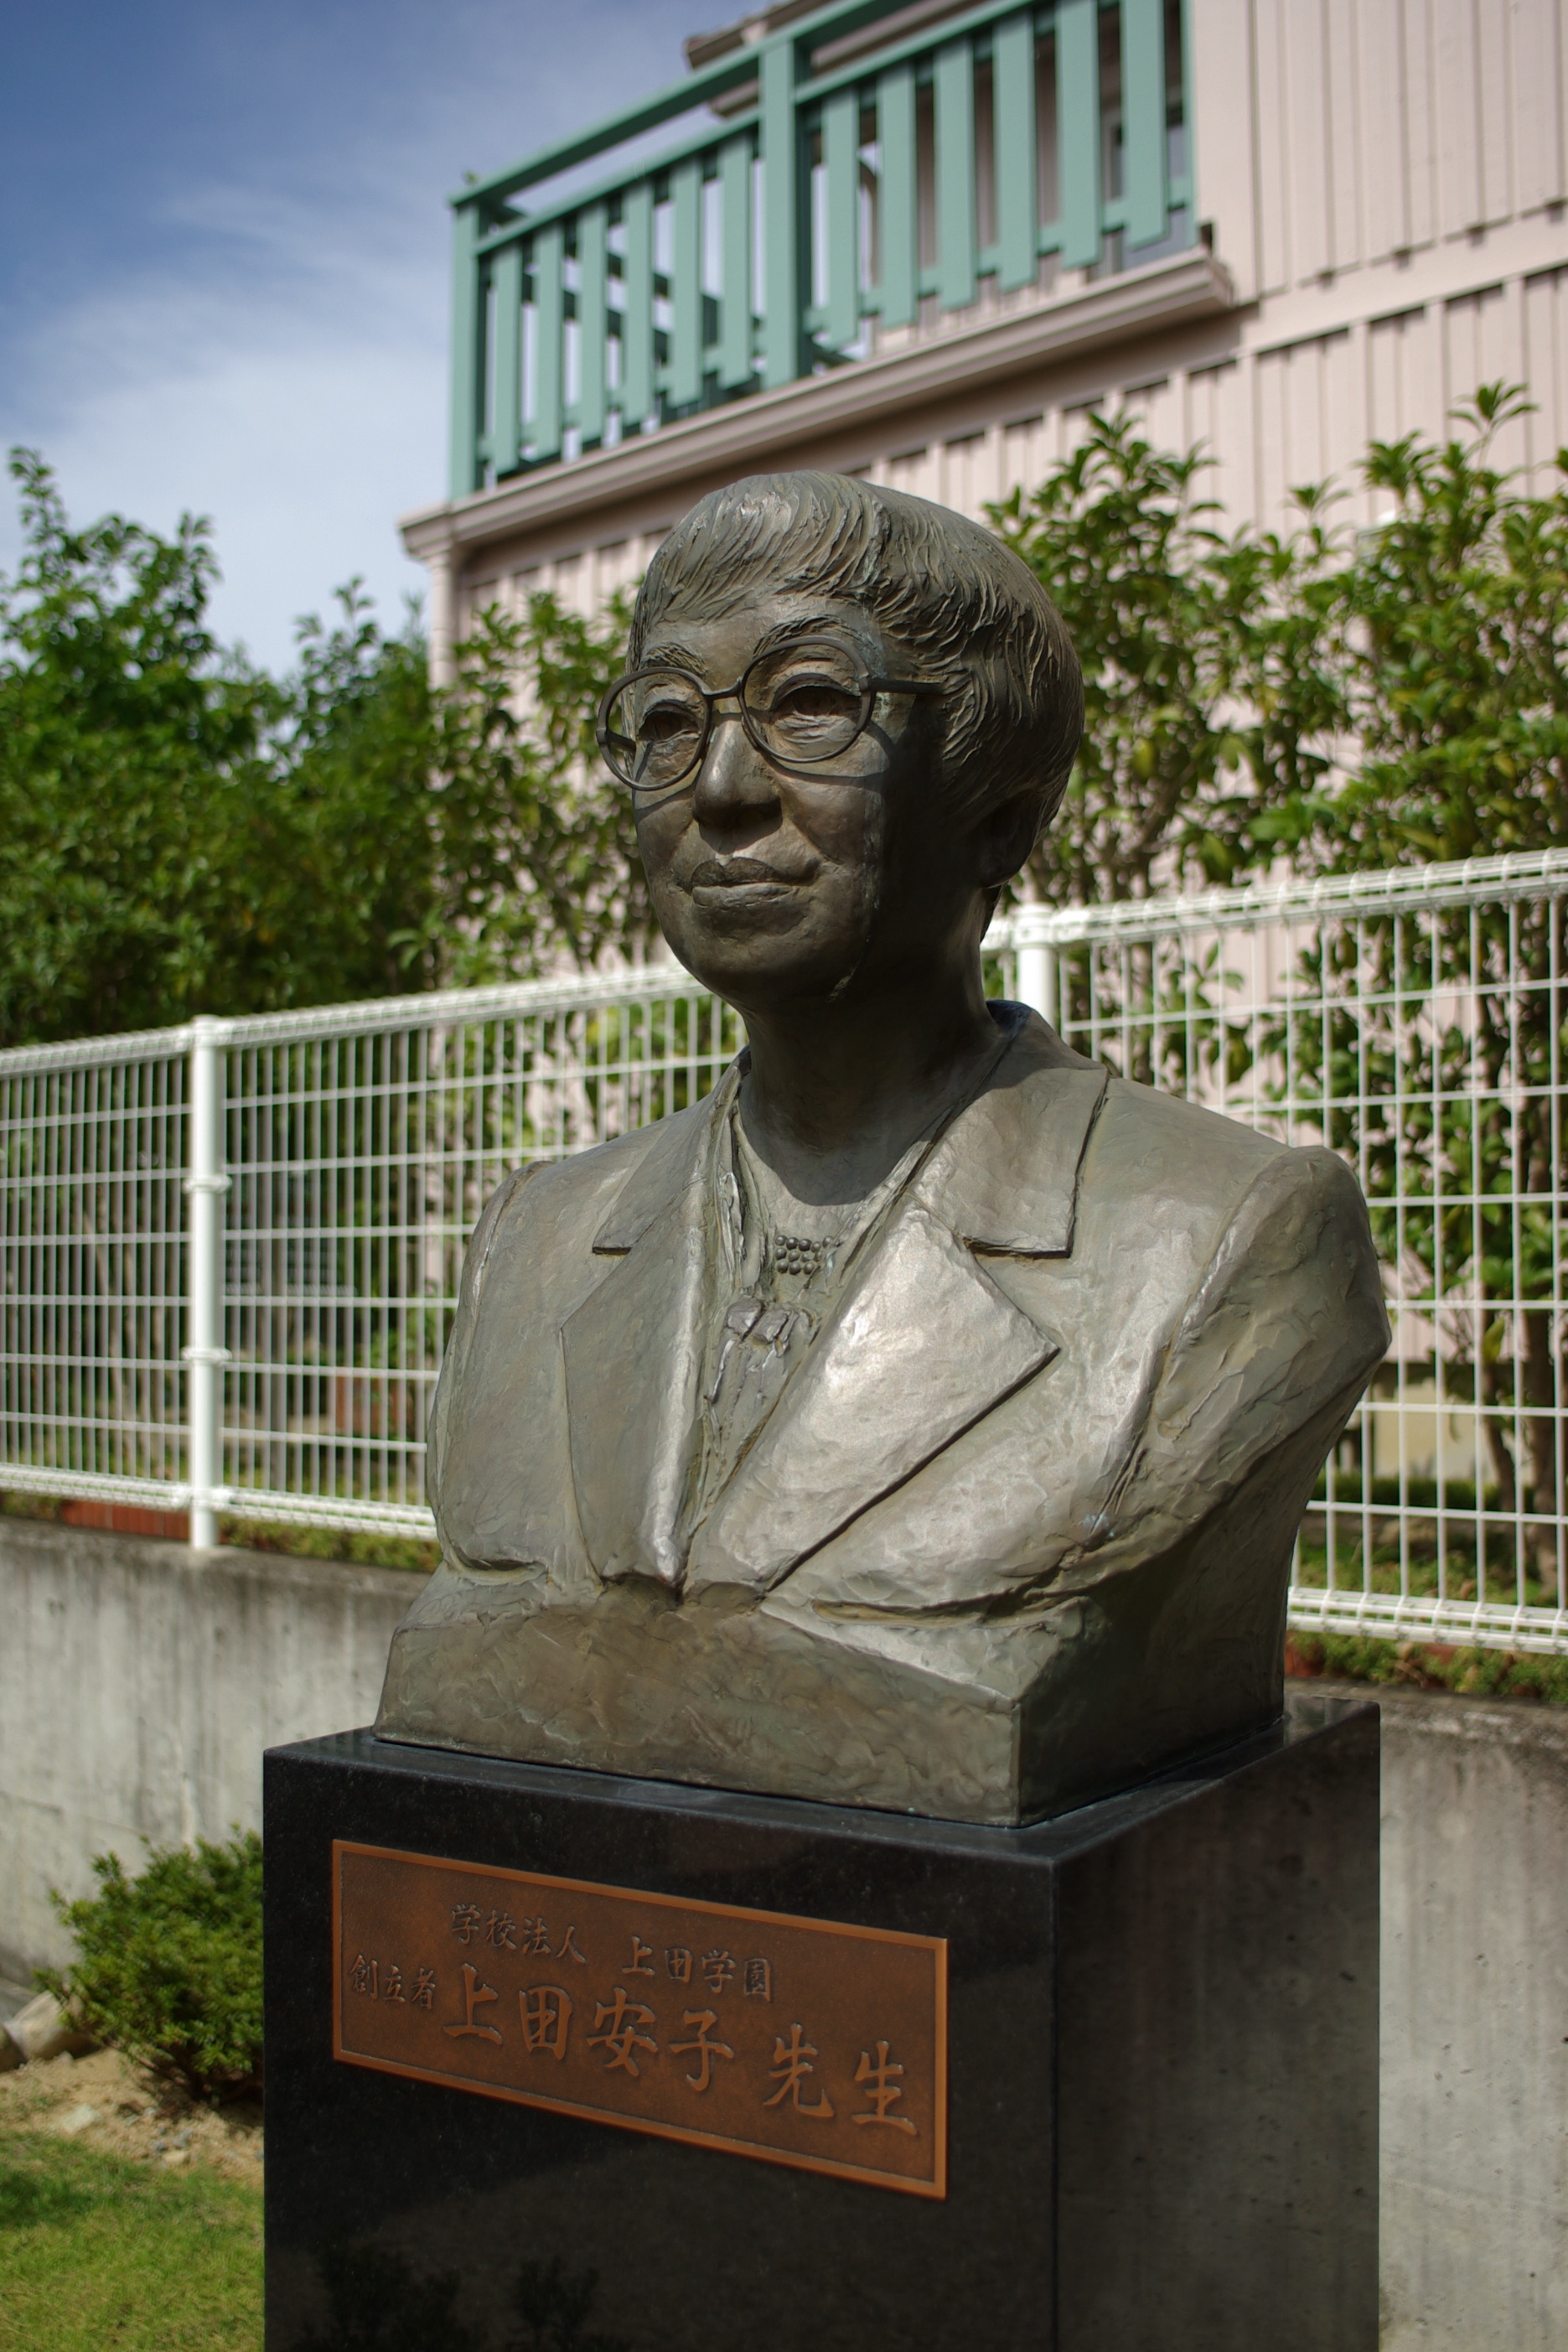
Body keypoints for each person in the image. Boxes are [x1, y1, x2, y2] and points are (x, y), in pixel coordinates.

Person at [376, 470, 1388, 1825]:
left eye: (810, 704)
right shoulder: (535, 1240)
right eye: (668, 719)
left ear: (1000, 810)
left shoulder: (1234, 1238)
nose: (721, 788)